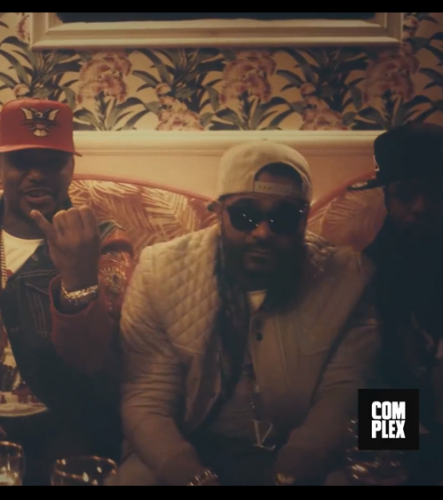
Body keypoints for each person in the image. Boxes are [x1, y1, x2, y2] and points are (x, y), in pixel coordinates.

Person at [115, 140, 380, 486]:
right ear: (218, 212)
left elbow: (346, 393)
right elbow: (147, 398)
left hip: (305, 453)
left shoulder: (349, 277)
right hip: (190, 446)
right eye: (245, 215)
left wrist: (295, 468)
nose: (263, 232)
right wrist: (189, 474)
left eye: (284, 217)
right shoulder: (160, 271)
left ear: (304, 220)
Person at [0, 98, 134, 485]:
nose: (37, 174)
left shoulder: (104, 242)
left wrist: (79, 279)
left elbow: (97, 369)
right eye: (21, 161)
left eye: (52, 162)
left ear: (70, 168)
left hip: (65, 431)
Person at [348, 123, 443, 485]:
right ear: (386, 196)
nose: (421, 207)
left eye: (437, 192)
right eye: (406, 193)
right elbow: (376, 376)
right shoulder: (367, 276)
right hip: (405, 447)